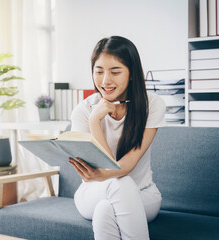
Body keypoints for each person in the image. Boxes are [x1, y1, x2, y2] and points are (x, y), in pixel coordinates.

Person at [68, 36, 166, 240]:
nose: (105, 81)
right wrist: (95, 119)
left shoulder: (152, 105)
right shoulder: (83, 111)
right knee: (117, 185)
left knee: (107, 207)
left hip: (143, 194)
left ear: (131, 73)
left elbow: (123, 166)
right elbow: (93, 174)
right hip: (92, 194)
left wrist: (103, 174)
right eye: (99, 71)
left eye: (115, 71)